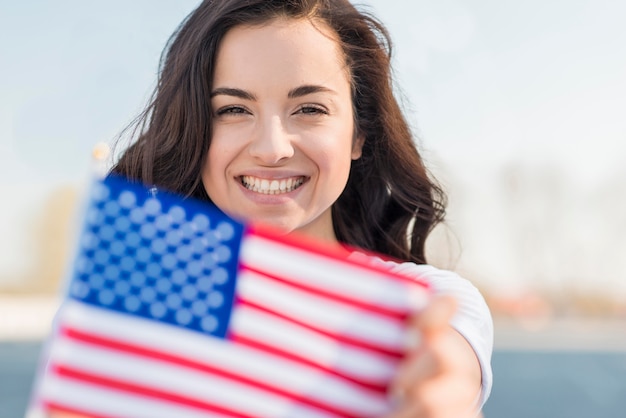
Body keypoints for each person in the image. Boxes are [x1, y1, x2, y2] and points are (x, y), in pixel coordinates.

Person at [111, 0, 493, 417]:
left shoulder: (426, 304)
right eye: (233, 110)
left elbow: (448, 376)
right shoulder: (127, 303)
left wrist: (438, 393)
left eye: (310, 109)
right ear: (194, 129)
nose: (272, 149)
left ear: (358, 134)